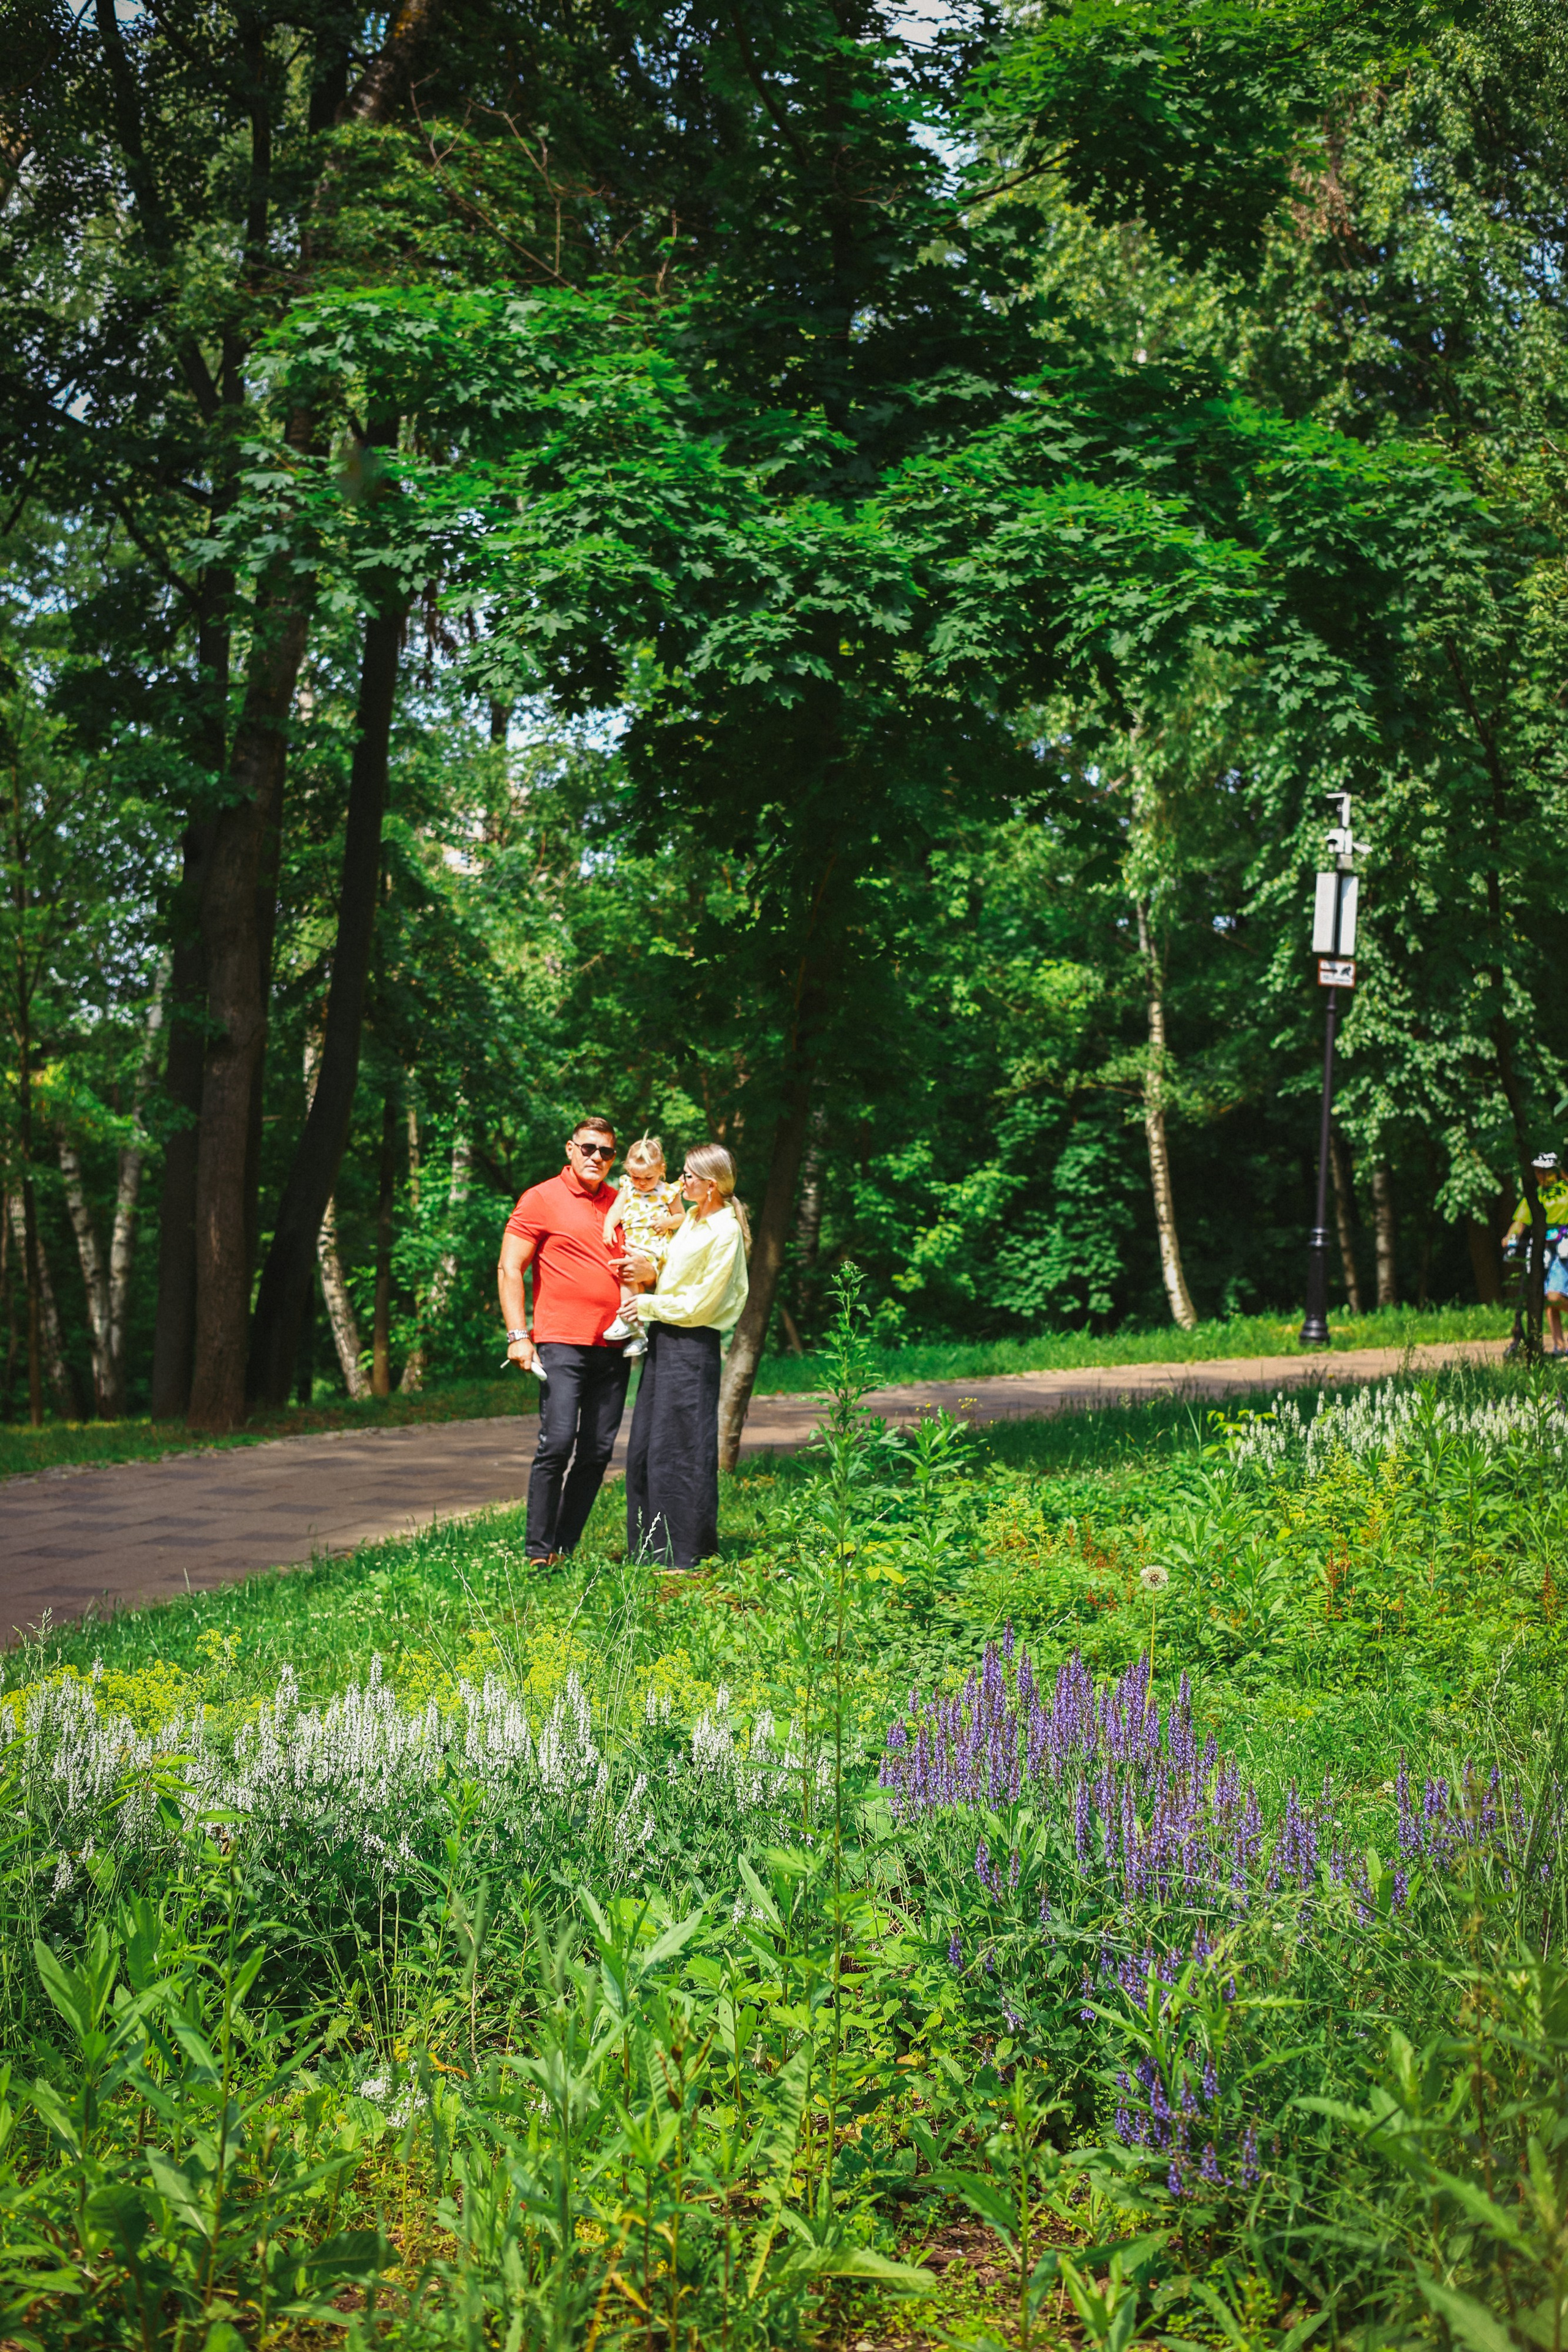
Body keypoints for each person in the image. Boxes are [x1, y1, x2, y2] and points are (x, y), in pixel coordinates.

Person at [497, 1116, 630, 1566]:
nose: (598, 1158)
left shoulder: (625, 1201)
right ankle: (538, 1552)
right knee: (556, 1443)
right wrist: (518, 1335)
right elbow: (510, 1267)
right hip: (560, 1342)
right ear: (570, 1150)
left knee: (596, 1452)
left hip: (615, 1345)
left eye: (607, 1152)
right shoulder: (540, 1199)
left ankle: (564, 1548)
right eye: (589, 1148)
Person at [623, 1142, 750, 1570]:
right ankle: (647, 1551)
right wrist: (650, 1278)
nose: (681, 1182)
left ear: (711, 1185)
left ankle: (686, 1553)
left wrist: (646, 1305)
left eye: (689, 1177)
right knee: (646, 1447)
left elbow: (702, 1304)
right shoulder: (693, 1219)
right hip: (665, 1338)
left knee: (681, 1450)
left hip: (692, 1345)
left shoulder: (725, 1232)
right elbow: (676, 1277)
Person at [602, 1136, 685, 1360]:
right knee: (631, 1282)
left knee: (629, 1274)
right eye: (636, 1176)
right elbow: (616, 1211)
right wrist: (609, 1227)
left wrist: (667, 1222)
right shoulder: (628, 1188)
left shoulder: (667, 1192)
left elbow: (681, 1217)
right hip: (633, 1244)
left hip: (655, 1247)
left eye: (648, 1177)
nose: (641, 1182)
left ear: (662, 1170)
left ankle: (626, 1319)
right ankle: (638, 1334)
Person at [1503, 1151, 1568, 1355]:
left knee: (1554, 1296)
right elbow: (1520, 1222)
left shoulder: (1566, 1190)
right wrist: (1509, 1238)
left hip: (1563, 1249)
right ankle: (1560, 1347)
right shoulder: (1536, 1195)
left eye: (1545, 1171)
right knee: (1546, 1298)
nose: (1541, 1175)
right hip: (1542, 1250)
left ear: (1555, 1171)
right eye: (1538, 1171)